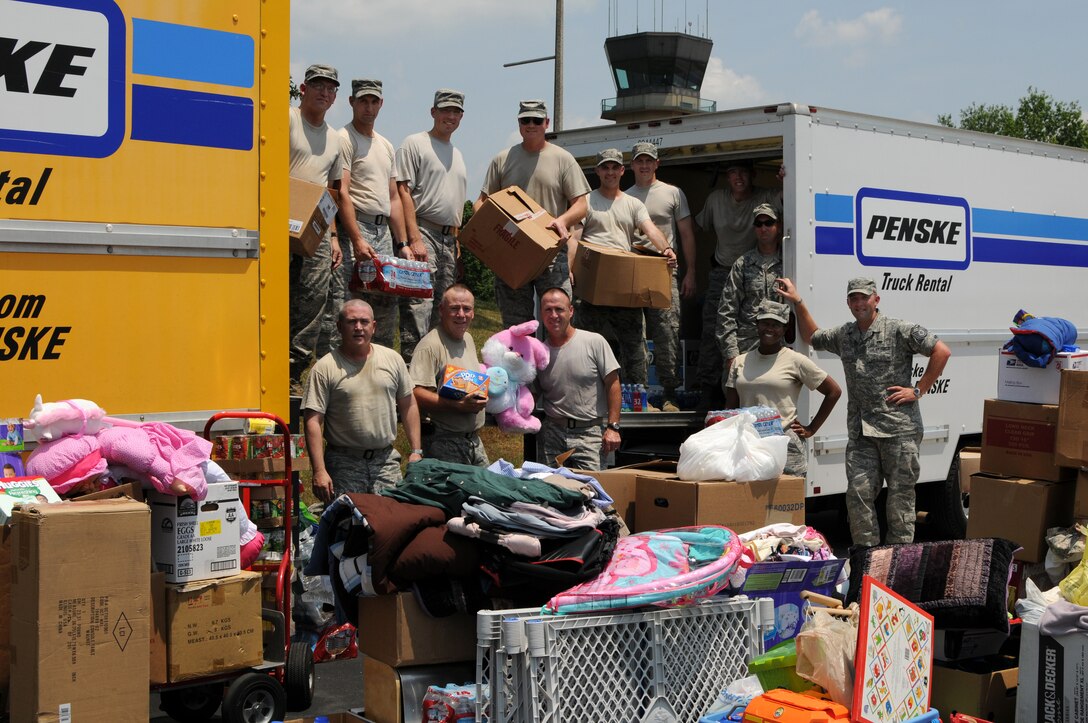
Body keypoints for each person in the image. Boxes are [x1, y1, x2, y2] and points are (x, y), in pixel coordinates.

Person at [777, 277, 952, 549]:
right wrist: (798, 301)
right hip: (861, 435)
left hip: (899, 432)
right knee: (858, 496)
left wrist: (918, 390)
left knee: (900, 501)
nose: (859, 303)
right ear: (848, 303)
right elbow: (812, 336)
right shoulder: (845, 336)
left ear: (876, 300)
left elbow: (941, 351)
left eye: (864, 297)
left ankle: (898, 562)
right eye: (854, 299)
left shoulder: (898, 330)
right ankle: (866, 560)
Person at [288, 64, 368, 395]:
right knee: (276, 293)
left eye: (330, 88)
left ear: (336, 97)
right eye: (318, 85)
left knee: (313, 299)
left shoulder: (336, 140)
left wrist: (334, 236)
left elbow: (331, 193)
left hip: (316, 230)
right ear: (303, 89)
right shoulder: (287, 119)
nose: (324, 92)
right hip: (278, 219)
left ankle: (294, 370)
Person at [476, 100, 591, 328]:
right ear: (519, 124)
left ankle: (558, 364)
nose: (531, 125)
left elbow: (581, 205)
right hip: (511, 250)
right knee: (515, 324)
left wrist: (562, 220)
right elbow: (481, 203)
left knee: (558, 319)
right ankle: (521, 364)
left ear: (546, 123)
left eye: (537, 120)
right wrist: (494, 227)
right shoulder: (502, 159)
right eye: (525, 120)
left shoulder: (563, 159)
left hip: (551, 251)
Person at [571, 148, 676, 386]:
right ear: (597, 171)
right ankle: (583, 393)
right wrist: (570, 269)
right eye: (604, 167)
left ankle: (638, 397)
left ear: (622, 170)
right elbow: (574, 238)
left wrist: (666, 250)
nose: (610, 172)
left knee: (634, 348)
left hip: (624, 287)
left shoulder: (633, 204)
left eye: (614, 168)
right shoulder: (586, 201)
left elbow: (650, 229)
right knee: (584, 345)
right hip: (592, 290)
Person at [301, 299, 423, 502]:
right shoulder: (325, 368)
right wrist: (319, 470)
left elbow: (408, 404)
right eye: (352, 322)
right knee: (347, 525)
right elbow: (312, 421)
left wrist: (416, 451)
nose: (358, 327)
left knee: (391, 523)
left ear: (373, 327)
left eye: (364, 322)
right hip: (344, 462)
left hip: (385, 462)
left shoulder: (392, 360)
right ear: (340, 327)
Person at [693, 160, 781, 407]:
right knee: (713, 332)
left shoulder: (763, 196)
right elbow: (694, 227)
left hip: (756, 269)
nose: (738, 177)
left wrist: (789, 173)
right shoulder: (716, 200)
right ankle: (708, 393)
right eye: (733, 173)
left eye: (743, 171)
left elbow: (786, 196)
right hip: (723, 270)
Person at [330, 78, 408, 350]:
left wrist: (403, 244)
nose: (369, 107)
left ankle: (380, 368)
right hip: (356, 228)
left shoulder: (386, 145)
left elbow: (394, 198)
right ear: (351, 102)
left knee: (385, 306)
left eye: (374, 101)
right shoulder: (344, 138)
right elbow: (342, 192)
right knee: (348, 306)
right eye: (363, 101)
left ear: (381, 104)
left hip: (384, 232)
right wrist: (356, 239)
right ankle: (340, 375)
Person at [725, 299, 841, 477]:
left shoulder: (795, 360)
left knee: (787, 503)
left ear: (785, 329)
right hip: (749, 445)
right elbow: (730, 408)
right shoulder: (739, 362)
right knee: (751, 502)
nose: (769, 329)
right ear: (757, 325)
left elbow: (833, 391)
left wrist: (811, 429)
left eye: (776, 324)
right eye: (765, 323)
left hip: (785, 446)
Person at [396, 89, 468, 362]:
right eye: (445, 110)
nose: (450, 117)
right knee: (418, 307)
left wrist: (456, 242)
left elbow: (455, 203)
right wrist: (414, 239)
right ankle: (412, 371)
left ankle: (437, 367)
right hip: (422, 232)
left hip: (449, 239)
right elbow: (403, 191)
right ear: (433, 112)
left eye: (456, 112)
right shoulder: (414, 143)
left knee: (445, 308)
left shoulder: (457, 154)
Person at [625, 141, 697, 411]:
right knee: (634, 334)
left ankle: (669, 393)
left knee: (667, 331)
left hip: (665, 269)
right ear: (631, 165)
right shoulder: (625, 197)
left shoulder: (672, 193)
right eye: (639, 161)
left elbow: (687, 234)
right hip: (634, 269)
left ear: (657, 164)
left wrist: (691, 272)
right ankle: (638, 394)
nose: (644, 165)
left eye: (649, 160)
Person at [535, 287, 622, 471]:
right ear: (541, 314)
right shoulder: (539, 352)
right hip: (553, 433)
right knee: (550, 491)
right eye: (548, 310)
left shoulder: (594, 342)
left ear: (571, 311)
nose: (554, 315)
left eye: (559, 309)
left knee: (593, 493)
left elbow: (613, 384)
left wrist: (613, 427)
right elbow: (533, 393)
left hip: (589, 434)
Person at [409, 284, 489, 466]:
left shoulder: (467, 339)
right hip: (443, 442)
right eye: (454, 308)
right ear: (441, 310)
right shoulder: (430, 345)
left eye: (467, 309)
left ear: (473, 313)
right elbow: (415, 392)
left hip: (473, 441)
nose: (461, 314)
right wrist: (456, 405)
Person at [716, 202, 786, 382]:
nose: (764, 228)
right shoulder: (743, 264)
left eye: (769, 223)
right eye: (759, 224)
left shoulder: (789, 262)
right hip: (746, 348)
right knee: (739, 405)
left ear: (778, 227)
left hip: (779, 350)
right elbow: (726, 312)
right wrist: (732, 354)